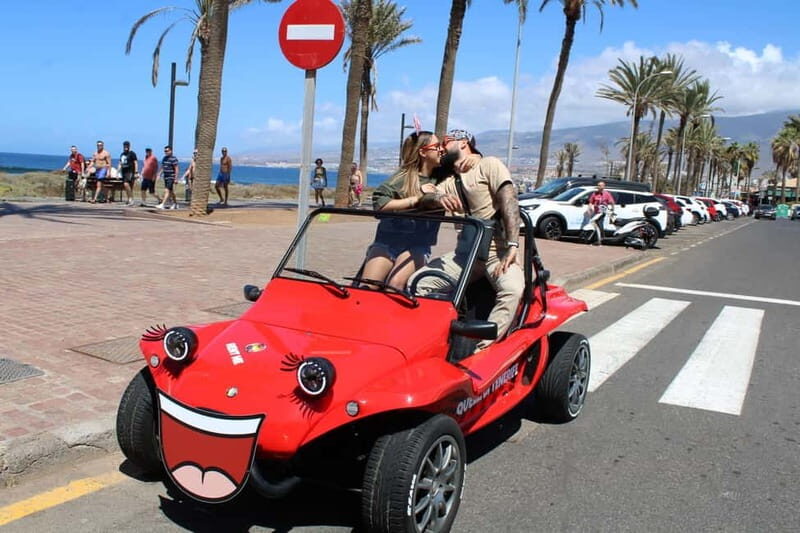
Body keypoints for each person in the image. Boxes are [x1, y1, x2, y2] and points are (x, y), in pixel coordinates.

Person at [413, 129, 524, 352]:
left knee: (512, 290)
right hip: (464, 255)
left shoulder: (488, 165)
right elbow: (425, 198)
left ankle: (482, 350)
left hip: (497, 252)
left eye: (446, 142)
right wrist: (437, 197)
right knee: (419, 282)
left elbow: (509, 198)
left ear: (463, 143)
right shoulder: (448, 180)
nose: (442, 148)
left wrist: (513, 244)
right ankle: (432, 343)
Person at [360, 131, 442, 290]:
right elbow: (379, 204)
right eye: (437, 146)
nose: (441, 150)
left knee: (395, 284)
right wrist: (415, 199)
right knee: (367, 286)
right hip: (387, 242)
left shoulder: (443, 177)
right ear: (423, 152)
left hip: (417, 245)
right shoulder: (401, 178)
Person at [587, 180, 615, 245]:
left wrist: (612, 210)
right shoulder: (595, 193)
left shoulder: (607, 194)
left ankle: (601, 238)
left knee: (599, 223)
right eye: (598, 185)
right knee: (596, 224)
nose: (599, 186)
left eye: (600, 185)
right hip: (596, 211)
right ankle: (599, 237)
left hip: (602, 212)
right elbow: (591, 202)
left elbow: (612, 202)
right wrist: (589, 208)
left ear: (603, 186)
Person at [157, 145, 180, 209]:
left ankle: (162, 204)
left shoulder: (174, 159)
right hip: (166, 177)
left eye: (167, 151)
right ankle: (175, 204)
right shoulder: (164, 158)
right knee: (171, 191)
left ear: (171, 151)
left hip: (171, 177)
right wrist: (159, 174)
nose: (166, 152)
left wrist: (176, 178)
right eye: (165, 151)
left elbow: (176, 169)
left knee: (167, 190)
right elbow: (163, 167)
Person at [118, 141, 138, 206]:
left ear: (129, 146)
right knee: (128, 187)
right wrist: (118, 172)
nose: (126, 147)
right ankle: (130, 199)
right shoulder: (122, 154)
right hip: (124, 171)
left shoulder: (132, 153)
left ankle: (130, 199)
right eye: (125, 146)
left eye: (127, 145)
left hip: (130, 171)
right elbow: (120, 163)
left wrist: (136, 172)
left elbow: (135, 163)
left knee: (126, 184)